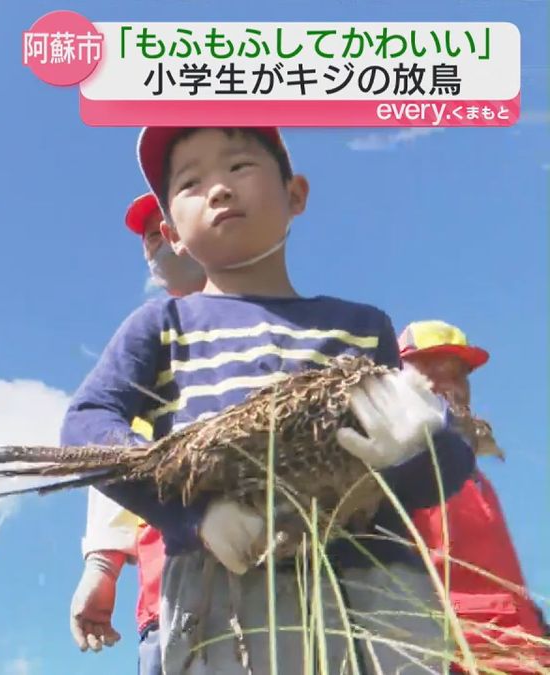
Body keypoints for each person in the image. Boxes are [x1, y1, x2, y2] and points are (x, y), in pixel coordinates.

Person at [60, 125, 478, 673]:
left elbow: (440, 471)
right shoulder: (162, 326)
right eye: (191, 181)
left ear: (296, 195)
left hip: (373, 590)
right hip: (224, 596)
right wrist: (194, 516)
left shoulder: (360, 326)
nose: (219, 190)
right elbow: (86, 425)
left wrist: (416, 446)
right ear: (172, 233)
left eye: (239, 167)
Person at [71, 192, 204, 675]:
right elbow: (118, 448)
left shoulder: (286, 326)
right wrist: (102, 564)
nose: (153, 241)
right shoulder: (151, 338)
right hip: (172, 588)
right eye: (147, 235)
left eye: (162, 226)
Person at [400, 320, 550, 673]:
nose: (449, 386)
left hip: (527, 653)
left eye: (458, 374)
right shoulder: (392, 466)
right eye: (431, 371)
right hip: (453, 654)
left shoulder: (476, 476)